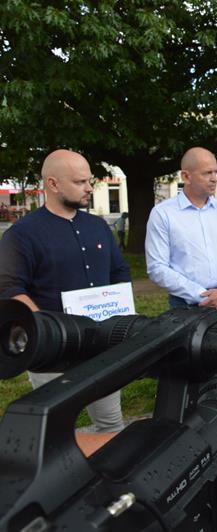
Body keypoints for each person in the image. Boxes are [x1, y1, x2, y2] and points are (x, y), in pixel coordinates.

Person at [0, 149, 130, 434]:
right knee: (53, 435)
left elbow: (119, 271)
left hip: (100, 343)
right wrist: (45, 330)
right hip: (53, 351)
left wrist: (120, 309)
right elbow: (10, 288)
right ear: (53, 183)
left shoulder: (98, 226)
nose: (88, 188)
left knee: (110, 425)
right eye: (80, 182)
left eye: (89, 180)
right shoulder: (22, 235)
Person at [145, 147, 217, 314]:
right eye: (207, 173)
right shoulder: (163, 214)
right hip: (186, 306)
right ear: (186, 176)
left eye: (215, 172)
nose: (214, 179)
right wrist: (201, 295)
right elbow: (157, 267)